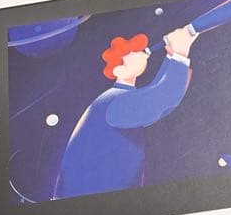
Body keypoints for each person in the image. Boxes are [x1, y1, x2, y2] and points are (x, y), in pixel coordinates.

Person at [53, 28, 198, 199]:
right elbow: (160, 100)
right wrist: (180, 53)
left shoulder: (119, 97)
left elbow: (160, 104)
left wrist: (173, 57)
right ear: (119, 70)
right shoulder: (116, 101)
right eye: (132, 53)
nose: (141, 53)